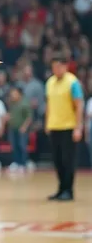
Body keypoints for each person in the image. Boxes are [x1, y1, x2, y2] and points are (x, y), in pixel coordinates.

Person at [45, 55, 84, 201]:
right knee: (57, 160)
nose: (56, 69)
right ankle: (61, 189)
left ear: (66, 66)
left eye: (59, 66)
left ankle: (69, 190)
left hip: (68, 127)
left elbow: (79, 105)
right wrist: (47, 123)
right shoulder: (50, 82)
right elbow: (49, 104)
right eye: (54, 67)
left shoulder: (73, 82)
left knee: (68, 160)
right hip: (54, 126)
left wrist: (78, 128)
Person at [6, 86, 32, 174]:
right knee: (14, 146)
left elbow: (29, 117)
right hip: (12, 128)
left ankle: (23, 164)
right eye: (12, 94)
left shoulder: (25, 103)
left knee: (22, 146)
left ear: (19, 94)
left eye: (14, 93)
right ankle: (16, 163)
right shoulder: (12, 103)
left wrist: (24, 127)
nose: (13, 95)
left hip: (22, 129)